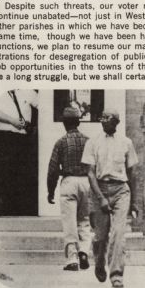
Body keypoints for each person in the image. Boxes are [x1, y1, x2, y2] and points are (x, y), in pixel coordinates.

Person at [81, 108, 138, 288]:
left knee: (118, 234)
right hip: (99, 188)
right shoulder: (93, 142)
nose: (103, 120)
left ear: (116, 122)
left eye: (107, 118)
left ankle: (116, 274)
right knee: (100, 237)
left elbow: (131, 173)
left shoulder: (126, 143)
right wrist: (101, 198)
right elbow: (90, 174)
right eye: (102, 117)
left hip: (121, 190)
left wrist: (134, 201)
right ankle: (99, 263)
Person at [47, 106, 91, 271]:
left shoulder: (61, 142)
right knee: (85, 220)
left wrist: (50, 191)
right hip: (87, 182)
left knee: (69, 222)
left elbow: (52, 169)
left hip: (69, 182)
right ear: (78, 122)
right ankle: (85, 251)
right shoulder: (88, 141)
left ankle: (72, 259)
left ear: (64, 123)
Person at [0, 89, 38, 216]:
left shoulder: (27, 91)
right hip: (4, 137)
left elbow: (44, 105)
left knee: (22, 173)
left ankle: (20, 207)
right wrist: (11, 120)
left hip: (23, 138)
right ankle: (3, 207)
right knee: (4, 173)